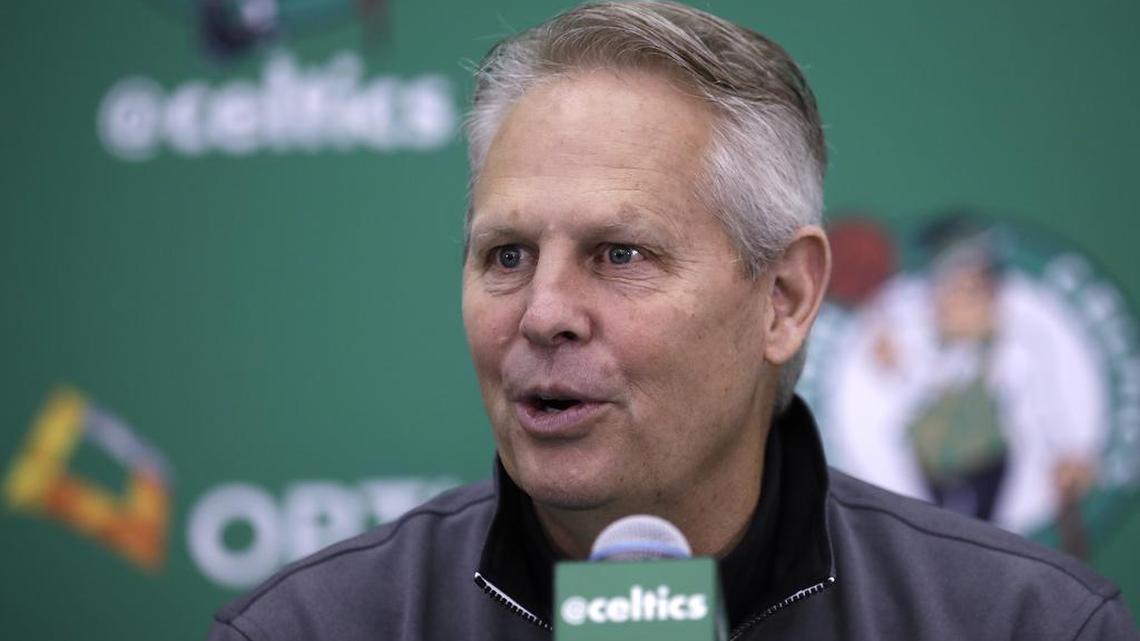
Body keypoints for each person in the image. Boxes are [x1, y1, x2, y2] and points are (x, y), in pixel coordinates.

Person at [207, 2, 1136, 639]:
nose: (545, 315)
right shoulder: (315, 626)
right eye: (507, 256)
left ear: (785, 298)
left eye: (620, 255)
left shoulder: (1024, 623)